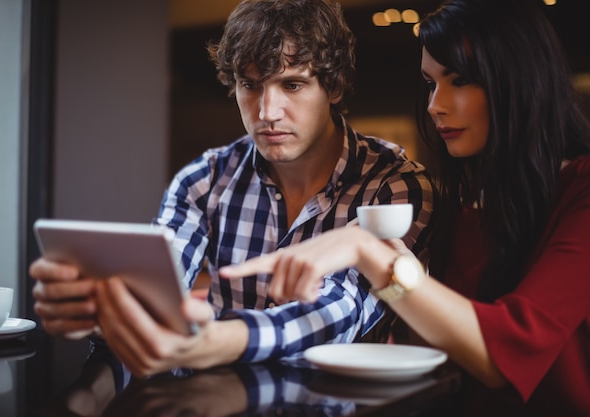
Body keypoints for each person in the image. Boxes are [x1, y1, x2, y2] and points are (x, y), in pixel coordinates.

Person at [219, 0, 590, 415]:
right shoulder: (465, 203)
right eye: (431, 84)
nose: (435, 104)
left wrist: (368, 252)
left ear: (521, 79)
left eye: (460, 80)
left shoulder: (581, 193)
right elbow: (431, 352)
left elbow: (504, 354)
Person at [29, 0, 434, 376]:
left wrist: (218, 341)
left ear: (335, 87)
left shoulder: (394, 186)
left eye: (292, 85)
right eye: (250, 85)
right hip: (219, 399)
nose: (266, 112)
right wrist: (95, 310)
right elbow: (155, 288)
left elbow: (344, 310)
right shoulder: (204, 179)